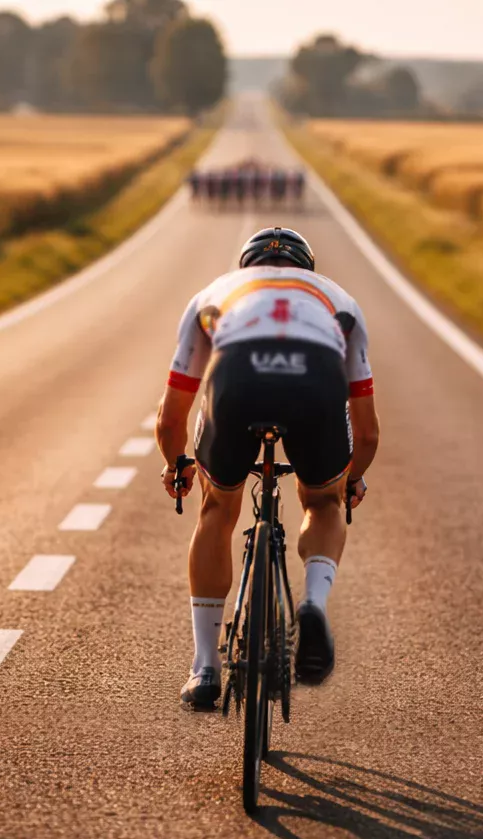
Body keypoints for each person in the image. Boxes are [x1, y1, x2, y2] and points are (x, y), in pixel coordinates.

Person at [156, 227, 380, 709]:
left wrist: (178, 465)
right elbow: (367, 434)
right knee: (322, 501)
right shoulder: (339, 300)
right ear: (308, 270)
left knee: (216, 508)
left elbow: (171, 415)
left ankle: (204, 669)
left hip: (236, 379)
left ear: (245, 267)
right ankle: (313, 604)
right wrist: (351, 481)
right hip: (316, 382)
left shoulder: (213, 294)